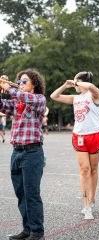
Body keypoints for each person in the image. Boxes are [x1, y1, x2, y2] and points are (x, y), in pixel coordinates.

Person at [50, 71, 99, 220]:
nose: (74, 85)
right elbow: (54, 96)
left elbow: (91, 86)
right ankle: (86, 205)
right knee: (84, 169)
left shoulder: (94, 95)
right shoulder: (75, 98)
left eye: (76, 82)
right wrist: (64, 85)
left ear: (81, 82)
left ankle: (92, 199)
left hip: (95, 135)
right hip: (80, 136)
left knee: (93, 170)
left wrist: (76, 82)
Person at [0, 70, 46, 240]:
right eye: (19, 81)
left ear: (34, 84)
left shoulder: (39, 99)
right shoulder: (17, 101)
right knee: (21, 194)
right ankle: (27, 229)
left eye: (24, 81)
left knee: (32, 194)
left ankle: (37, 231)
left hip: (32, 152)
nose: (20, 83)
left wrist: (9, 88)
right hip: (16, 152)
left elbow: (26, 98)